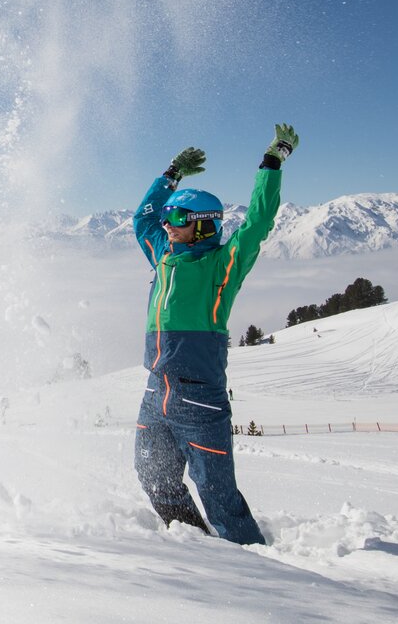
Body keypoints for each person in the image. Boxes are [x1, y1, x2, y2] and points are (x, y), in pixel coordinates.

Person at [129, 123, 297, 545]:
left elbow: (257, 223)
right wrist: (171, 175)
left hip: (199, 401)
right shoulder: (163, 255)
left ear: (203, 226)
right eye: (169, 216)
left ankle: (254, 565)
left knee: (220, 498)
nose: (168, 224)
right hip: (156, 391)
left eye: (178, 218)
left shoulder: (222, 265)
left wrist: (272, 162)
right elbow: (143, 219)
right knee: (154, 478)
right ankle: (196, 549)